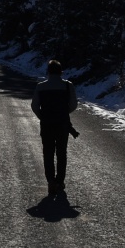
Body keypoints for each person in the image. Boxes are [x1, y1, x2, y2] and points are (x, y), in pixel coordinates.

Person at [31, 59, 78, 197]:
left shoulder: (40, 86)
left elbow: (34, 106)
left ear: (48, 72)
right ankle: (60, 181)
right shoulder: (68, 86)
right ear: (61, 71)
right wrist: (63, 113)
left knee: (48, 153)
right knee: (61, 152)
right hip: (62, 124)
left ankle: (50, 180)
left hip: (46, 124)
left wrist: (43, 116)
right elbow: (74, 104)